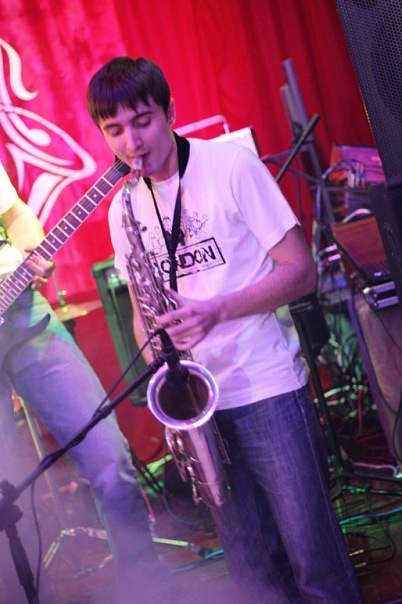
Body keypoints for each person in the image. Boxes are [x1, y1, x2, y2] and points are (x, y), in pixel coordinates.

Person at [86, 55, 365, 604]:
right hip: (200, 410)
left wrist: (215, 310)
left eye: (142, 121)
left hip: (266, 388)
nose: (131, 142)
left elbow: (301, 271)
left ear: (170, 113)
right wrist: (165, 383)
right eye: (114, 130)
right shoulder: (123, 209)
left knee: (316, 566)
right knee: (253, 573)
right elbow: (142, 310)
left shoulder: (231, 166)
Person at [0, 161, 177, 604]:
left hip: (20, 307)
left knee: (108, 455)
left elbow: (13, 212)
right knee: (6, 499)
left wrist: (32, 249)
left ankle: (146, 589)